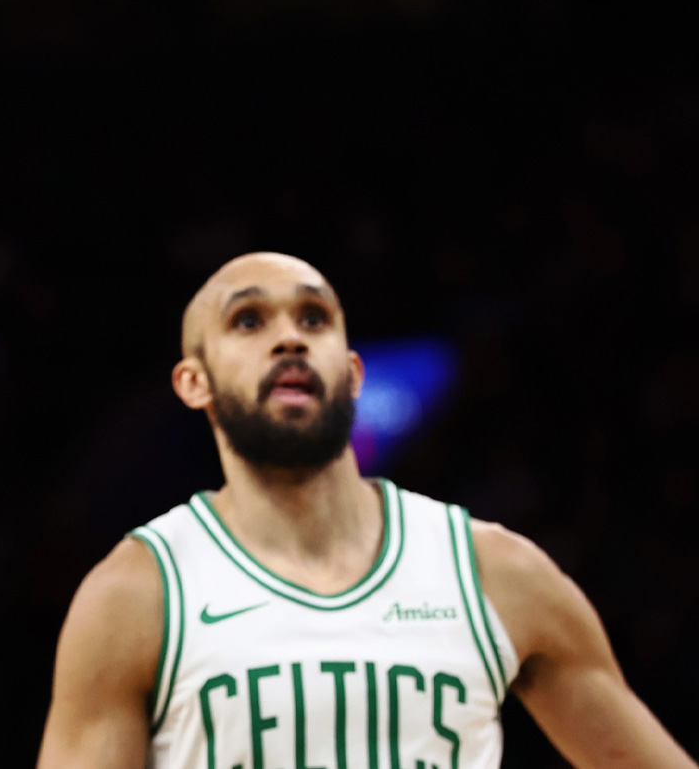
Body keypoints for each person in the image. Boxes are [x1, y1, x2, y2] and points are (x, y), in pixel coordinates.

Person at [35, 252, 694, 769]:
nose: (289, 338)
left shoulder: (496, 572)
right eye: (249, 321)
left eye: (314, 319)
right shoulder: (137, 592)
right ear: (194, 381)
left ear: (352, 372)